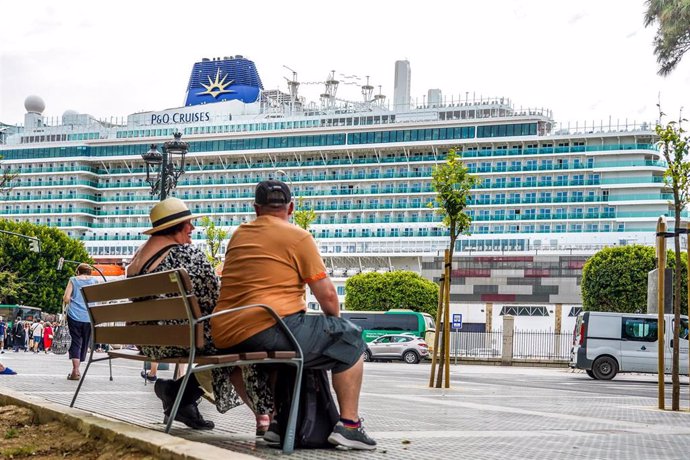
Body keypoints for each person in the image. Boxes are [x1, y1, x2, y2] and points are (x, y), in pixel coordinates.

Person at [211, 180, 377, 450]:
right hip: (265, 327)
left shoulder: (239, 234)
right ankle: (350, 426)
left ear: (256, 209)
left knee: (290, 351)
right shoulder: (298, 236)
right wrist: (335, 324)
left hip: (225, 331)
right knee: (351, 338)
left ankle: (279, 424)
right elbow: (328, 297)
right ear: (291, 207)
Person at [126, 197, 272, 433]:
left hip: (151, 342)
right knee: (241, 346)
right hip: (182, 340)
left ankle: (179, 395)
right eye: (188, 224)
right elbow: (215, 299)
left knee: (223, 348)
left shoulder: (138, 260)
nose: (192, 229)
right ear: (174, 228)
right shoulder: (187, 256)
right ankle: (266, 417)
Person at [62, 263, 100, 380]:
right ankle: (78, 367)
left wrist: (74, 299)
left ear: (78, 272)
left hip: (74, 316)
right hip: (89, 317)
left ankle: (75, 370)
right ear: (89, 272)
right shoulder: (95, 281)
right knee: (84, 342)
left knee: (75, 342)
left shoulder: (73, 279)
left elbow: (66, 298)